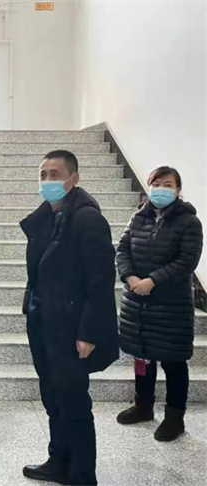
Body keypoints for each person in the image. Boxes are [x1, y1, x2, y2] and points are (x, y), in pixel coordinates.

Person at [20, 150, 119, 485]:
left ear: (73, 179)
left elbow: (101, 280)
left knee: (74, 402)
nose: (48, 181)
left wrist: (89, 332)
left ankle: (82, 474)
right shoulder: (47, 217)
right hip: (44, 321)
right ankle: (58, 461)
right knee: (53, 397)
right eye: (43, 174)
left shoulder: (87, 218)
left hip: (72, 327)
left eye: (55, 174)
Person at [116, 166, 203, 441]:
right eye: (157, 184)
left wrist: (152, 281)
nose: (161, 189)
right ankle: (143, 406)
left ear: (178, 190)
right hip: (137, 304)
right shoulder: (138, 217)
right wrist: (130, 277)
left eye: (168, 185)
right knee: (141, 357)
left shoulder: (189, 222)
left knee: (173, 363)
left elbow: (186, 261)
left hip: (170, 306)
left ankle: (175, 418)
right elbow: (122, 250)